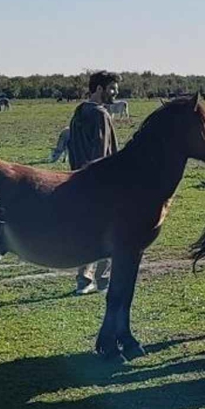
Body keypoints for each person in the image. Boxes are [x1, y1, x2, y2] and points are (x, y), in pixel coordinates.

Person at [68, 71, 120, 294]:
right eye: (111, 88)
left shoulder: (78, 112)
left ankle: (83, 278)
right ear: (99, 89)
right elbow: (103, 152)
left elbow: (72, 147)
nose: (115, 93)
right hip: (100, 183)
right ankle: (102, 279)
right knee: (109, 232)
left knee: (85, 231)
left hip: (78, 179)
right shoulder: (100, 115)